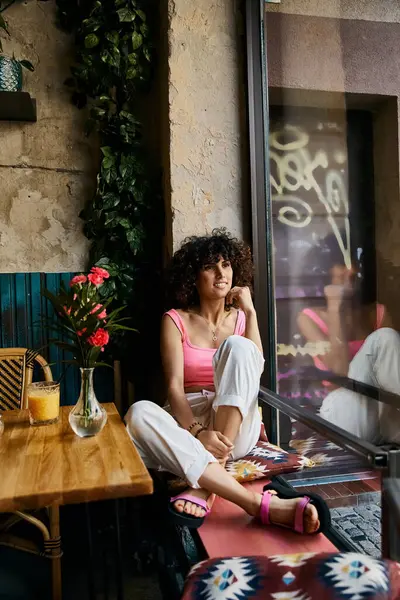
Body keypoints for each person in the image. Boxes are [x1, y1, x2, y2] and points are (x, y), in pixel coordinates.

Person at [125, 229, 327, 533]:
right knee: (138, 412)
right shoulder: (175, 319)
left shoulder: (242, 320)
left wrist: (251, 310)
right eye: (210, 266)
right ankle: (258, 505)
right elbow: (173, 388)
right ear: (192, 277)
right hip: (187, 423)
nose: (221, 273)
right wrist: (198, 431)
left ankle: (207, 482)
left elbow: (254, 368)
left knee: (239, 347)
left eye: (226, 264)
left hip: (235, 426)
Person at [297, 235, 400, 444]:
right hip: (344, 411)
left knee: (386, 338)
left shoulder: (377, 312)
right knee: (384, 337)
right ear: (326, 269)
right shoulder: (309, 318)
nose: (351, 269)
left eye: (354, 261)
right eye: (341, 263)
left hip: (384, 413)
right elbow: (340, 370)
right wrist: (334, 307)